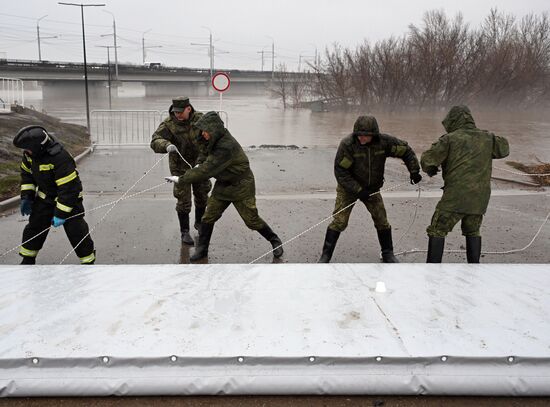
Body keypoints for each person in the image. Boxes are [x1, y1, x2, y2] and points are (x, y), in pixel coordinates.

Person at [179, 111, 283, 262]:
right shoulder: (212, 139)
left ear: (214, 130)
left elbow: (207, 169)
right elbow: (204, 153)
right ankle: (202, 250)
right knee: (208, 217)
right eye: (202, 131)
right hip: (223, 184)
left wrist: (181, 179)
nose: (203, 134)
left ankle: (274, 240)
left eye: (205, 131)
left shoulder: (226, 146)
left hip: (241, 185)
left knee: (251, 220)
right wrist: (198, 162)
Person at [318, 115, 422, 263]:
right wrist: (359, 190)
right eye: (359, 135)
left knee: (381, 220)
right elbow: (341, 172)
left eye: (365, 136)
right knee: (339, 221)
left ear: (373, 135)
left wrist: (414, 171)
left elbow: (406, 151)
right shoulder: (347, 144)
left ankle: (388, 253)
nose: (361, 139)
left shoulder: (384, 142)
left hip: (372, 188)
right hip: (348, 189)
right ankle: (325, 256)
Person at [421, 105, 509, 263]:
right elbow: (504, 149)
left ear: (453, 121)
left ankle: (432, 271)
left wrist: (431, 169)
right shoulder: (488, 137)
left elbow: (427, 160)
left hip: (455, 197)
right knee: (473, 231)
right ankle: (474, 268)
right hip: (479, 198)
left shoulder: (450, 139)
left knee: (437, 229)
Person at [14, 125, 95, 265]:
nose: (25, 152)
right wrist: (26, 196)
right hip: (45, 199)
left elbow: (69, 189)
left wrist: (61, 213)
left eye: (27, 149)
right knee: (34, 228)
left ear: (38, 147)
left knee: (76, 231)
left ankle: (88, 261)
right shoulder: (30, 155)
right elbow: (27, 176)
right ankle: (28, 259)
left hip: (69, 201)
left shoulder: (60, 158)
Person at [150, 96, 211, 245]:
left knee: (202, 195)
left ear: (188, 109)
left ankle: (199, 222)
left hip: (199, 164)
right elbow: (154, 140)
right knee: (183, 200)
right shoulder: (169, 124)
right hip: (180, 168)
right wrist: (165, 145)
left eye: (180, 112)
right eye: (175, 112)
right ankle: (184, 232)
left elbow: (212, 136)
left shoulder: (200, 119)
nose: (177, 115)